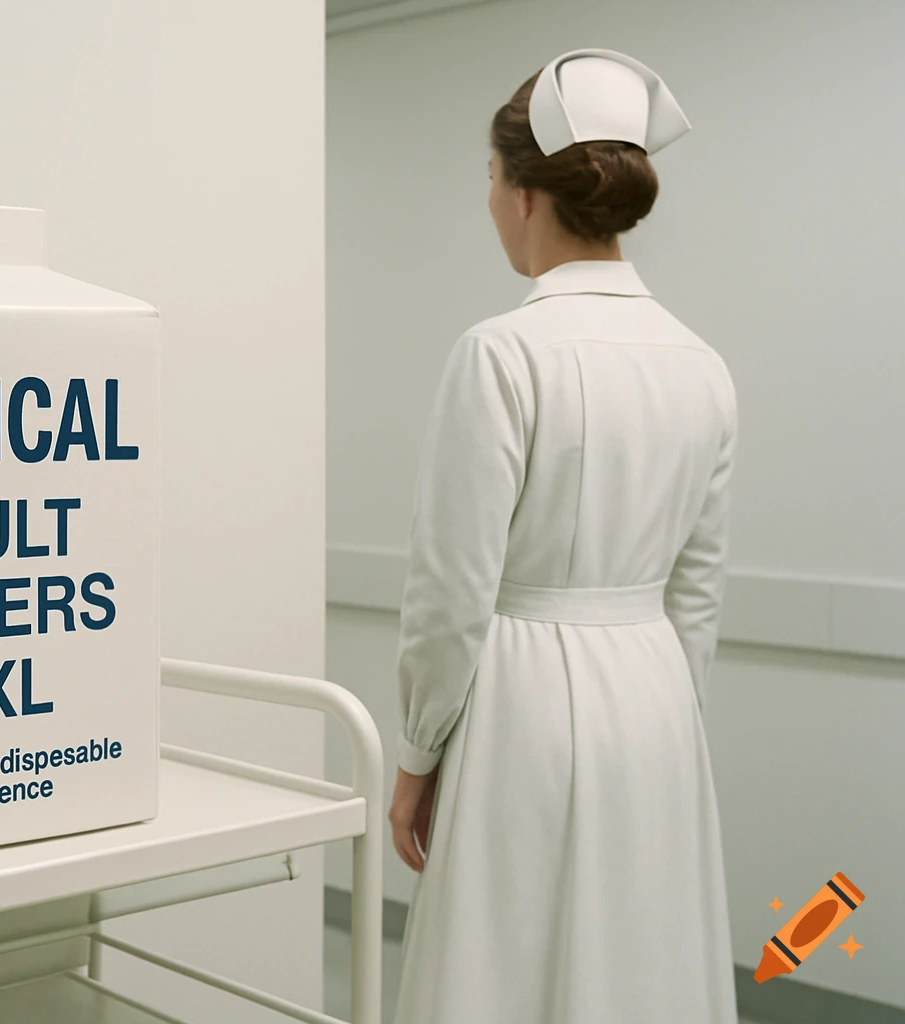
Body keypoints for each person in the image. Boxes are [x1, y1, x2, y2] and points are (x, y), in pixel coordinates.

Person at [386, 49, 739, 1023]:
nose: (490, 203)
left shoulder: (500, 353)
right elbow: (698, 589)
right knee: (641, 955)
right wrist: (668, 707)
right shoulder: (701, 364)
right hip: (658, 694)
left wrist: (415, 757)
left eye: (491, 182)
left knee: (504, 963)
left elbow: (452, 588)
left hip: (523, 697)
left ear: (528, 193)